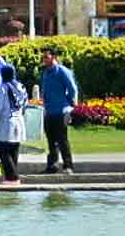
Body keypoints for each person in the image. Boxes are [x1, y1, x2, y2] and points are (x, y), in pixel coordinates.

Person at [37, 47, 78, 175]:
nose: (44, 59)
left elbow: (72, 89)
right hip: (49, 111)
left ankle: (68, 166)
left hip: (61, 111)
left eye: (46, 57)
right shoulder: (45, 73)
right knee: (51, 141)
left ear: (54, 57)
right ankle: (52, 165)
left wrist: (71, 105)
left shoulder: (62, 71)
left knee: (62, 140)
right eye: (43, 57)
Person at [0, 63, 27, 184]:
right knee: (14, 149)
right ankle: (9, 177)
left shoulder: (3, 87)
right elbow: (25, 104)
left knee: (2, 149)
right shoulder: (21, 86)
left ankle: (13, 177)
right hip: (19, 119)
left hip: (7, 121)